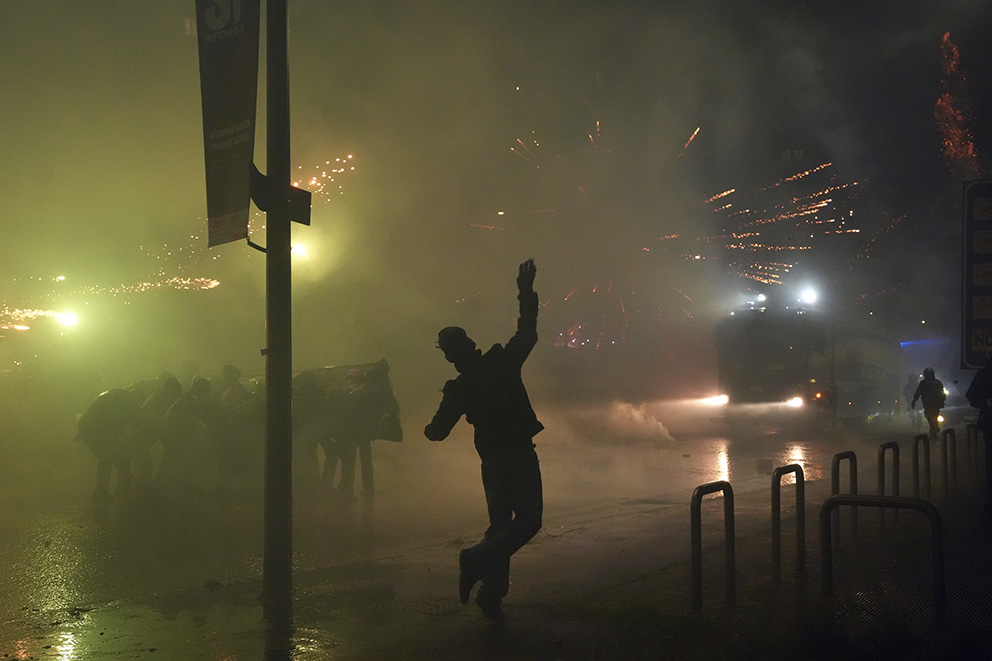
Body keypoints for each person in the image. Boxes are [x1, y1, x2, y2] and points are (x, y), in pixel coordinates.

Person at [424, 259, 544, 623]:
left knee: (500, 526)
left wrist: (447, 406)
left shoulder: (459, 389)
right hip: (520, 455)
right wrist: (525, 292)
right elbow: (528, 333)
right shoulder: (502, 363)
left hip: (491, 462)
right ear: (471, 343)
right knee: (527, 522)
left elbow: (436, 432)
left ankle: (491, 593)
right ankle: (477, 562)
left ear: (448, 356)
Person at [76, 388, 141, 503]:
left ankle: (102, 495)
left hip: (89, 428)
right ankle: (117, 497)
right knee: (113, 460)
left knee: (107, 459)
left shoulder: (118, 395)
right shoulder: (128, 403)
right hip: (96, 430)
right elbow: (124, 429)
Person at [966, 357, 992, 509]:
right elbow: (972, 396)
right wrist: (986, 402)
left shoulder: (983, 375)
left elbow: (972, 396)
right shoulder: (984, 375)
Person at [911, 367, 946, 439]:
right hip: (934, 404)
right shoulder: (937, 382)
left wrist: (914, 401)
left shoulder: (924, 383)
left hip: (930, 404)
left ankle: (934, 430)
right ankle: (934, 429)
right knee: (933, 416)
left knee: (930, 416)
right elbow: (942, 394)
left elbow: (918, 393)